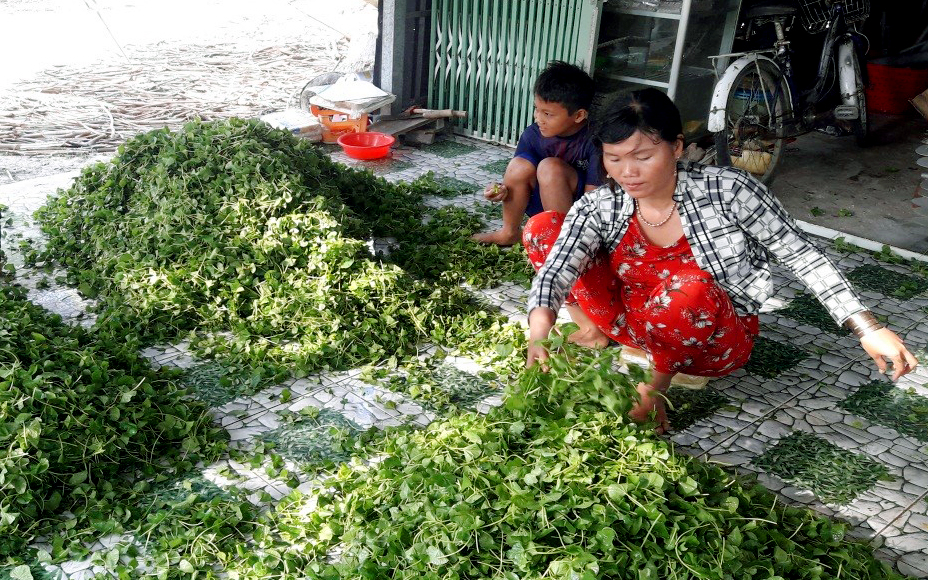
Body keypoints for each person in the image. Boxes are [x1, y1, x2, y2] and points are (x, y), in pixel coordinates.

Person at [524, 88, 918, 433]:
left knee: (690, 285)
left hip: (711, 341)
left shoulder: (729, 192)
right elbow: (559, 265)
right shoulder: (603, 204)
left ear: (676, 147)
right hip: (632, 322)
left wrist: (867, 327)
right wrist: (538, 334)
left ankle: (658, 385)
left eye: (643, 156)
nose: (628, 172)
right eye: (613, 158)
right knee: (545, 227)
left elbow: (802, 254)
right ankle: (598, 333)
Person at [472, 60, 602, 248]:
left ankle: (562, 245)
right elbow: (516, 176)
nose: (538, 118)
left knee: (550, 167)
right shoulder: (533, 134)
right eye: (537, 109)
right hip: (540, 207)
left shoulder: (595, 140)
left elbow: (594, 198)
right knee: (519, 165)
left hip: (577, 215)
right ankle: (509, 232)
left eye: (548, 114)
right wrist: (500, 190)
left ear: (579, 115)